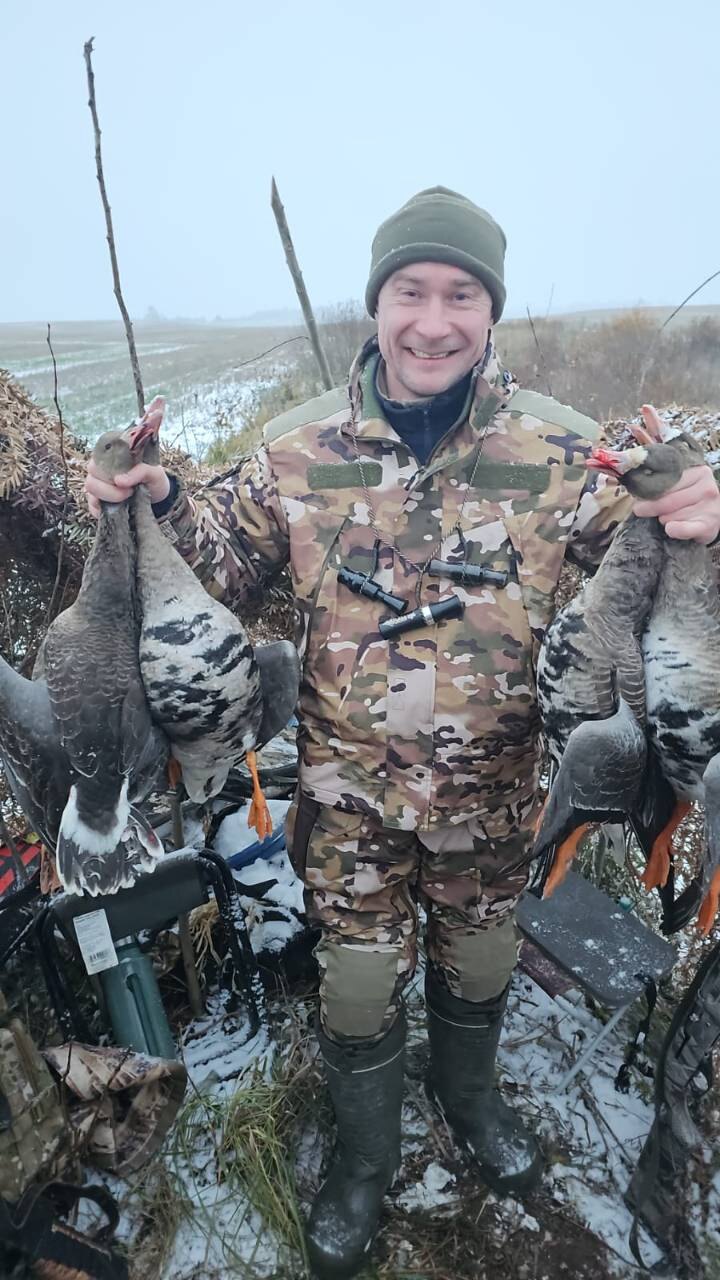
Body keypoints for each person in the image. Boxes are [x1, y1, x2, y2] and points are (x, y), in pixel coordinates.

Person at [86, 187, 720, 1280]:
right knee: (357, 991)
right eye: (410, 292)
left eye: (461, 294)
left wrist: (702, 518)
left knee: (480, 968)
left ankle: (471, 1102)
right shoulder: (295, 451)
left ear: (492, 310)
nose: (433, 322)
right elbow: (217, 566)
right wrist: (151, 495)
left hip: (497, 802)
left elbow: (667, 574)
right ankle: (365, 1160)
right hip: (348, 808)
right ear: (376, 304)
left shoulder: (569, 453)